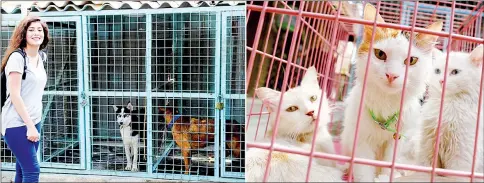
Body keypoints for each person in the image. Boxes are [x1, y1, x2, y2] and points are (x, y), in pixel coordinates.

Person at [1, 15, 49, 183]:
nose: (37, 33)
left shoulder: (42, 57)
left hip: (34, 120)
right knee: (32, 171)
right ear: (23, 34)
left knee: (22, 169)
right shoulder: (17, 58)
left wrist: (34, 123)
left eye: (39, 29)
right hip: (16, 123)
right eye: (31, 30)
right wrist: (30, 127)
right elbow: (14, 94)